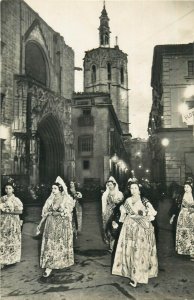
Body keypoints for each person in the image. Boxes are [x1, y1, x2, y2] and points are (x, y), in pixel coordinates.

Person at [112, 180, 158, 287]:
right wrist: (116, 221)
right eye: (131, 188)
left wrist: (144, 214)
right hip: (128, 228)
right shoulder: (127, 200)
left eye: (135, 188)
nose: (133, 190)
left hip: (140, 229)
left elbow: (152, 213)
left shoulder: (144, 200)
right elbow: (122, 212)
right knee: (130, 250)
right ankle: (131, 274)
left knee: (139, 252)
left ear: (139, 189)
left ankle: (137, 276)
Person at [38, 176, 75, 277]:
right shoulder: (50, 199)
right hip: (51, 223)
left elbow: (69, 211)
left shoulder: (66, 199)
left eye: (55, 188)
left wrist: (59, 213)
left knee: (60, 243)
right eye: (52, 188)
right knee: (50, 243)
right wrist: (43, 220)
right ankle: (48, 266)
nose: (53, 190)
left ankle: (59, 262)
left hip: (62, 224)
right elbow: (45, 211)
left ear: (60, 189)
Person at [0, 181, 23, 268]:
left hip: (13, 221)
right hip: (3, 221)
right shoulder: (2, 199)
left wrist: (10, 211)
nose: (8, 190)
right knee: (3, 239)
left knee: (12, 239)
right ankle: (3, 259)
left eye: (10, 188)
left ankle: (12, 258)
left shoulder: (16, 199)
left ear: (13, 189)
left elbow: (20, 211)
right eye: (6, 188)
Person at [101, 176, 123, 252]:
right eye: (108, 185)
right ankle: (111, 245)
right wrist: (103, 212)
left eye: (111, 184)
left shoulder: (119, 193)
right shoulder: (105, 194)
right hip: (108, 212)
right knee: (108, 227)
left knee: (115, 228)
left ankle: (114, 245)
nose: (110, 186)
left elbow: (122, 204)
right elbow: (103, 204)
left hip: (116, 213)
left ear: (114, 185)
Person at [175, 179, 194, 261]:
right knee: (184, 233)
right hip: (183, 217)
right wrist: (173, 216)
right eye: (185, 187)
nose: (186, 188)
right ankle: (184, 250)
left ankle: (192, 252)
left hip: (192, 216)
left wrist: (192, 210)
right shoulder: (181, 196)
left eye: (188, 187)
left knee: (192, 233)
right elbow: (177, 207)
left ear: (191, 188)